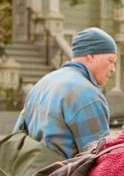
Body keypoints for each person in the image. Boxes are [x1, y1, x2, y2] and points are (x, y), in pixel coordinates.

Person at [13, 26, 118, 159]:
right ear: (91, 56)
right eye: (111, 61)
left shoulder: (42, 84)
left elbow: (17, 136)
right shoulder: (87, 94)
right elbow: (100, 159)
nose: (113, 69)